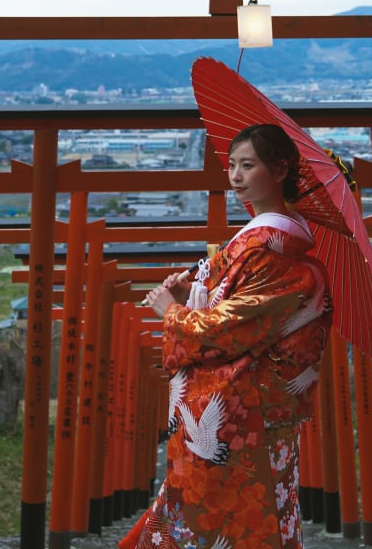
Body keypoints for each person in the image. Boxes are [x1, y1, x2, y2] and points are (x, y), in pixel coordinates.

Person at [120, 123, 332, 549]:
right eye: (232, 164)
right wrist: (193, 294)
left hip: (241, 409)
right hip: (256, 409)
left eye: (248, 165)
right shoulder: (269, 240)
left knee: (216, 514)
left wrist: (173, 311)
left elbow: (225, 331)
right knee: (253, 509)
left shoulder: (270, 248)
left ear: (280, 171)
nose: (235, 175)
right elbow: (232, 308)